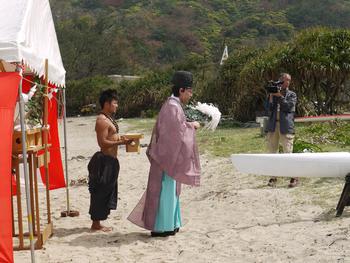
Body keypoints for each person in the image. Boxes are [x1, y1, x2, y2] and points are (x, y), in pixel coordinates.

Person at [127, 71, 201, 237]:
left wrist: (187, 125)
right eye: (189, 91)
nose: (191, 94)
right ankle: (162, 226)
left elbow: (176, 129)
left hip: (168, 156)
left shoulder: (172, 106)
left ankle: (171, 223)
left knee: (171, 191)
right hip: (166, 158)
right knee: (165, 192)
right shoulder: (172, 107)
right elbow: (175, 133)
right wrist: (192, 126)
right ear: (181, 90)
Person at [88, 89, 131, 231]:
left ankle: (98, 222)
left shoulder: (109, 119)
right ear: (107, 104)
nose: (116, 105)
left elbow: (112, 136)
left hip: (111, 161)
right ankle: (95, 223)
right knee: (100, 192)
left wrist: (121, 139)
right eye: (114, 103)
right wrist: (121, 143)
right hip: (104, 161)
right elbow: (103, 143)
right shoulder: (102, 120)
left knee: (107, 191)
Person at [266, 73, 298, 188]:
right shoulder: (274, 94)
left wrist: (279, 96)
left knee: (288, 153)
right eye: (284, 80)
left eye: (288, 80)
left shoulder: (292, 95)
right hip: (273, 126)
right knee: (272, 153)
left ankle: (294, 177)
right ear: (279, 81)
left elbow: (288, 107)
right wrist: (271, 95)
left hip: (286, 126)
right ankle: (273, 178)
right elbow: (269, 109)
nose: (286, 82)